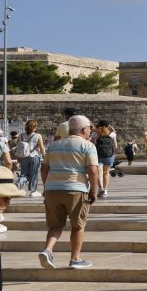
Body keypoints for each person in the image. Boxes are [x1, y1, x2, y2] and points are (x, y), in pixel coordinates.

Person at [38, 115, 100, 269]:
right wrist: (94, 190)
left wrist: (46, 188)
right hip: (75, 188)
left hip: (53, 189)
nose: (90, 131)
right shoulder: (88, 146)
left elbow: (44, 168)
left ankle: (48, 249)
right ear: (84, 129)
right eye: (90, 128)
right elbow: (92, 169)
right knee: (78, 225)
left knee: (55, 225)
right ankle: (75, 258)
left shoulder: (53, 145)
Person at [17, 120, 45, 197]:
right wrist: (45, 157)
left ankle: (18, 186)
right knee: (34, 174)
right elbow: (42, 147)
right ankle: (33, 191)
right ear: (35, 127)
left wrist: (18, 158)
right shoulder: (38, 136)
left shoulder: (21, 135)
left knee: (23, 174)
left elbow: (18, 147)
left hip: (24, 157)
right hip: (34, 156)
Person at [93, 121, 117, 198]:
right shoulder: (112, 134)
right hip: (109, 156)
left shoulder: (95, 134)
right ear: (107, 126)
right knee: (106, 173)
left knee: (99, 172)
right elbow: (115, 146)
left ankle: (101, 188)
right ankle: (105, 190)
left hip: (98, 155)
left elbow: (92, 144)